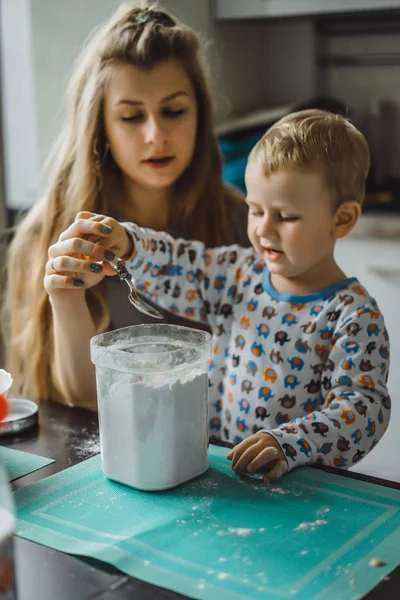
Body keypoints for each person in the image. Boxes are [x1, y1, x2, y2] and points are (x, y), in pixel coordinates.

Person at [65, 109, 391, 482]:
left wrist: (291, 442)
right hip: (216, 474)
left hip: (296, 487)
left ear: (342, 219)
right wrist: (129, 243)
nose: (263, 229)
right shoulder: (237, 274)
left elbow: (363, 410)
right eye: (255, 210)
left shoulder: (352, 315)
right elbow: (180, 264)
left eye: (285, 216)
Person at [3, 3, 249, 408]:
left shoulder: (243, 222)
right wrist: (66, 300)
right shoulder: (46, 235)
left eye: (173, 111)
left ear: (201, 115)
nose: (156, 135)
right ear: (101, 127)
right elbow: (84, 404)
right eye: (132, 117)